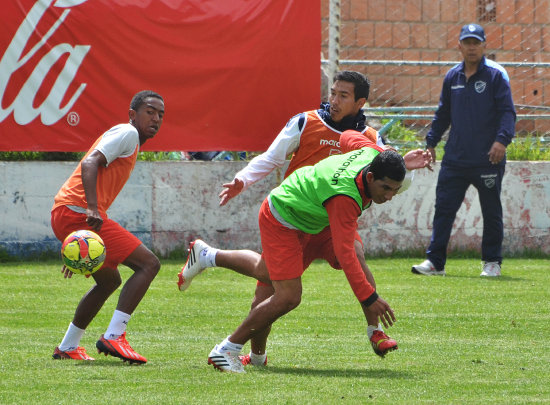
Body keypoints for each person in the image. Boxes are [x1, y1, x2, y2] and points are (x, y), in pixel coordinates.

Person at [178, 71, 401, 366]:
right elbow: (272, 157)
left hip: (322, 220)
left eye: (343, 96)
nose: (333, 101)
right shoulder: (306, 122)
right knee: (273, 287)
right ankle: (252, 353)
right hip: (291, 216)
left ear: (360, 102)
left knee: (353, 255)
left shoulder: (369, 139)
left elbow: (385, 158)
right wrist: (242, 180)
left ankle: (375, 330)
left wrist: (404, 159)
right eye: (332, 93)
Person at [205, 130, 431, 373]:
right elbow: (343, 253)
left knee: (350, 255)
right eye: (385, 188)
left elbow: (347, 136)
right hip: (284, 217)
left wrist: (399, 160)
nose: (388, 196)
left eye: (395, 190)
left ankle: (375, 331)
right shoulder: (345, 197)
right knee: (287, 295)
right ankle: (227, 348)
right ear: (371, 176)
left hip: (316, 215)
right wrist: (370, 297)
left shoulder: (373, 153)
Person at [50, 90, 165, 363]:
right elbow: (90, 163)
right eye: (150, 111)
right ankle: (114, 337)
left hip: (69, 215)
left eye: (161, 114)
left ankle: (68, 347)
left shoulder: (129, 138)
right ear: (132, 114)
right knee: (149, 264)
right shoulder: (128, 133)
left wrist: (78, 241)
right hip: (78, 212)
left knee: (110, 280)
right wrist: (90, 209)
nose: (156, 118)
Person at [411, 24, 516, 277]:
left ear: (484, 45)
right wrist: (431, 142)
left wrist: (501, 141)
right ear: (459, 45)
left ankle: (492, 263)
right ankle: (435, 263)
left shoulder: (496, 75)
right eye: (467, 42)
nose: (471, 47)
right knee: (443, 209)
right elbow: (443, 113)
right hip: (455, 159)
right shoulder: (452, 77)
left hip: (487, 159)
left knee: (491, 211)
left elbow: (507, 113)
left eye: (476, 42)